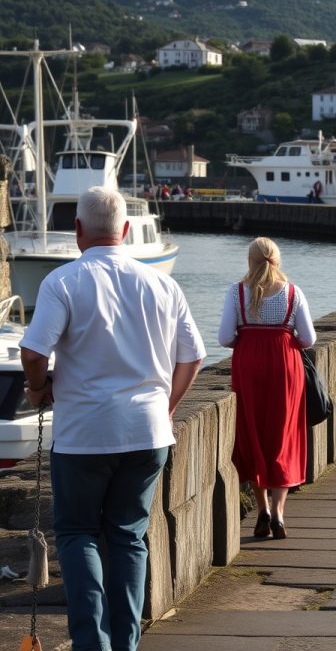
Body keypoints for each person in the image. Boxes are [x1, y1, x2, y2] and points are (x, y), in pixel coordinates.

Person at [20, 186, 206, 651]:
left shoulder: (63, 282)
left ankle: (92, 644)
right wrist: (167, 406)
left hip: (83, 434)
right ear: (124, 229)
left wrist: (38, 388)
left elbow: (33, 353)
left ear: (77, 229)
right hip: (147, 432)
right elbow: (193, 357)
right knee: (128, 537)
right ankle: (125, 643)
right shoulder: (162, 284)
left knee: (77, 533)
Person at [218, 237, 317, 541]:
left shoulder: (237, 292)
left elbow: (224, 337)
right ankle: (279, 512)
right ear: (277, 260)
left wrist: (248, 338)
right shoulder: (292, 293)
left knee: (252, 433)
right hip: (285, 365)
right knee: (283, 436)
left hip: (248, 363)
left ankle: (261, 508)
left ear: (250, 261)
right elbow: (308, 338)